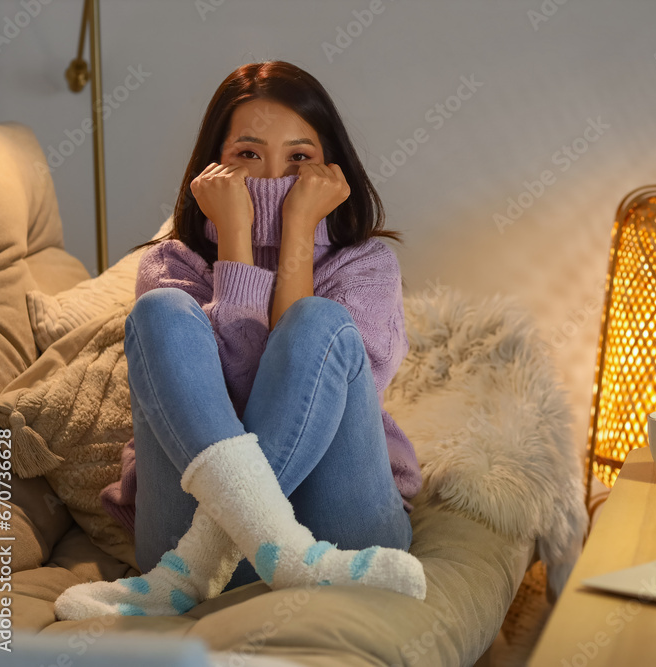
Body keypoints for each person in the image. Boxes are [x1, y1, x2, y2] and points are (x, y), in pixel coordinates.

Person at [55, 61, 426, 621]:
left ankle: (190, 571)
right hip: (184, 519)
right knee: (160, 312)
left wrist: (298, 227)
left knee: (316, 323)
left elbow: (302, 400)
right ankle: (291, 558)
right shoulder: (170, 263)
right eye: (248, 154)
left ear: (330, 167)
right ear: (213, 165)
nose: (274, 176)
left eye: (299, 158)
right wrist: (236, 237)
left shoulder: (368, 264)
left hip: (340, 524)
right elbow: (238, 383)